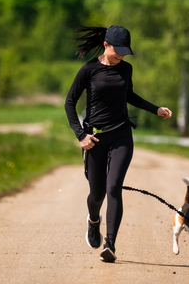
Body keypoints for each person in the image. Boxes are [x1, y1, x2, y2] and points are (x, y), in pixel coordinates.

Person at [64, 25, 172, 263]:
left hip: (121, 135)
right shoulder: (89, 69)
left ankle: (110, 244)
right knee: (97, 193)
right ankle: (93, 221)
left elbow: (129, 95)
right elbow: (70, 103)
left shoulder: (126, 69)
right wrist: (81, 135)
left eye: (125, 50)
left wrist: (156, 109)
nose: (121, 54)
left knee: (114, 188)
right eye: (117, 50)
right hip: (95, 139)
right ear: (106, 45)